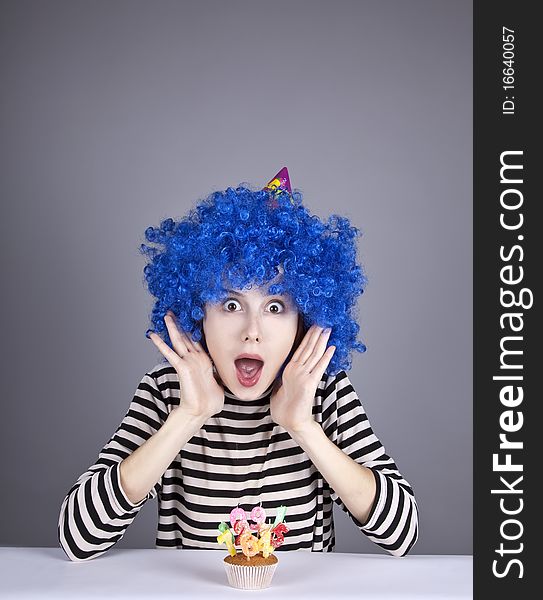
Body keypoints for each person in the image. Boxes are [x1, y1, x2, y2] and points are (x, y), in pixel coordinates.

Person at [58, 167, 419, 561]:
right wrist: (189, 415)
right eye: (231, 305)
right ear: (199, 314)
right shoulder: (167, 391)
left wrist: (304, 427)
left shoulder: (324, 392)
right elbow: (78, 540)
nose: (252, 331)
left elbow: (401, 535)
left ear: (303, 321)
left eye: (275, 307)